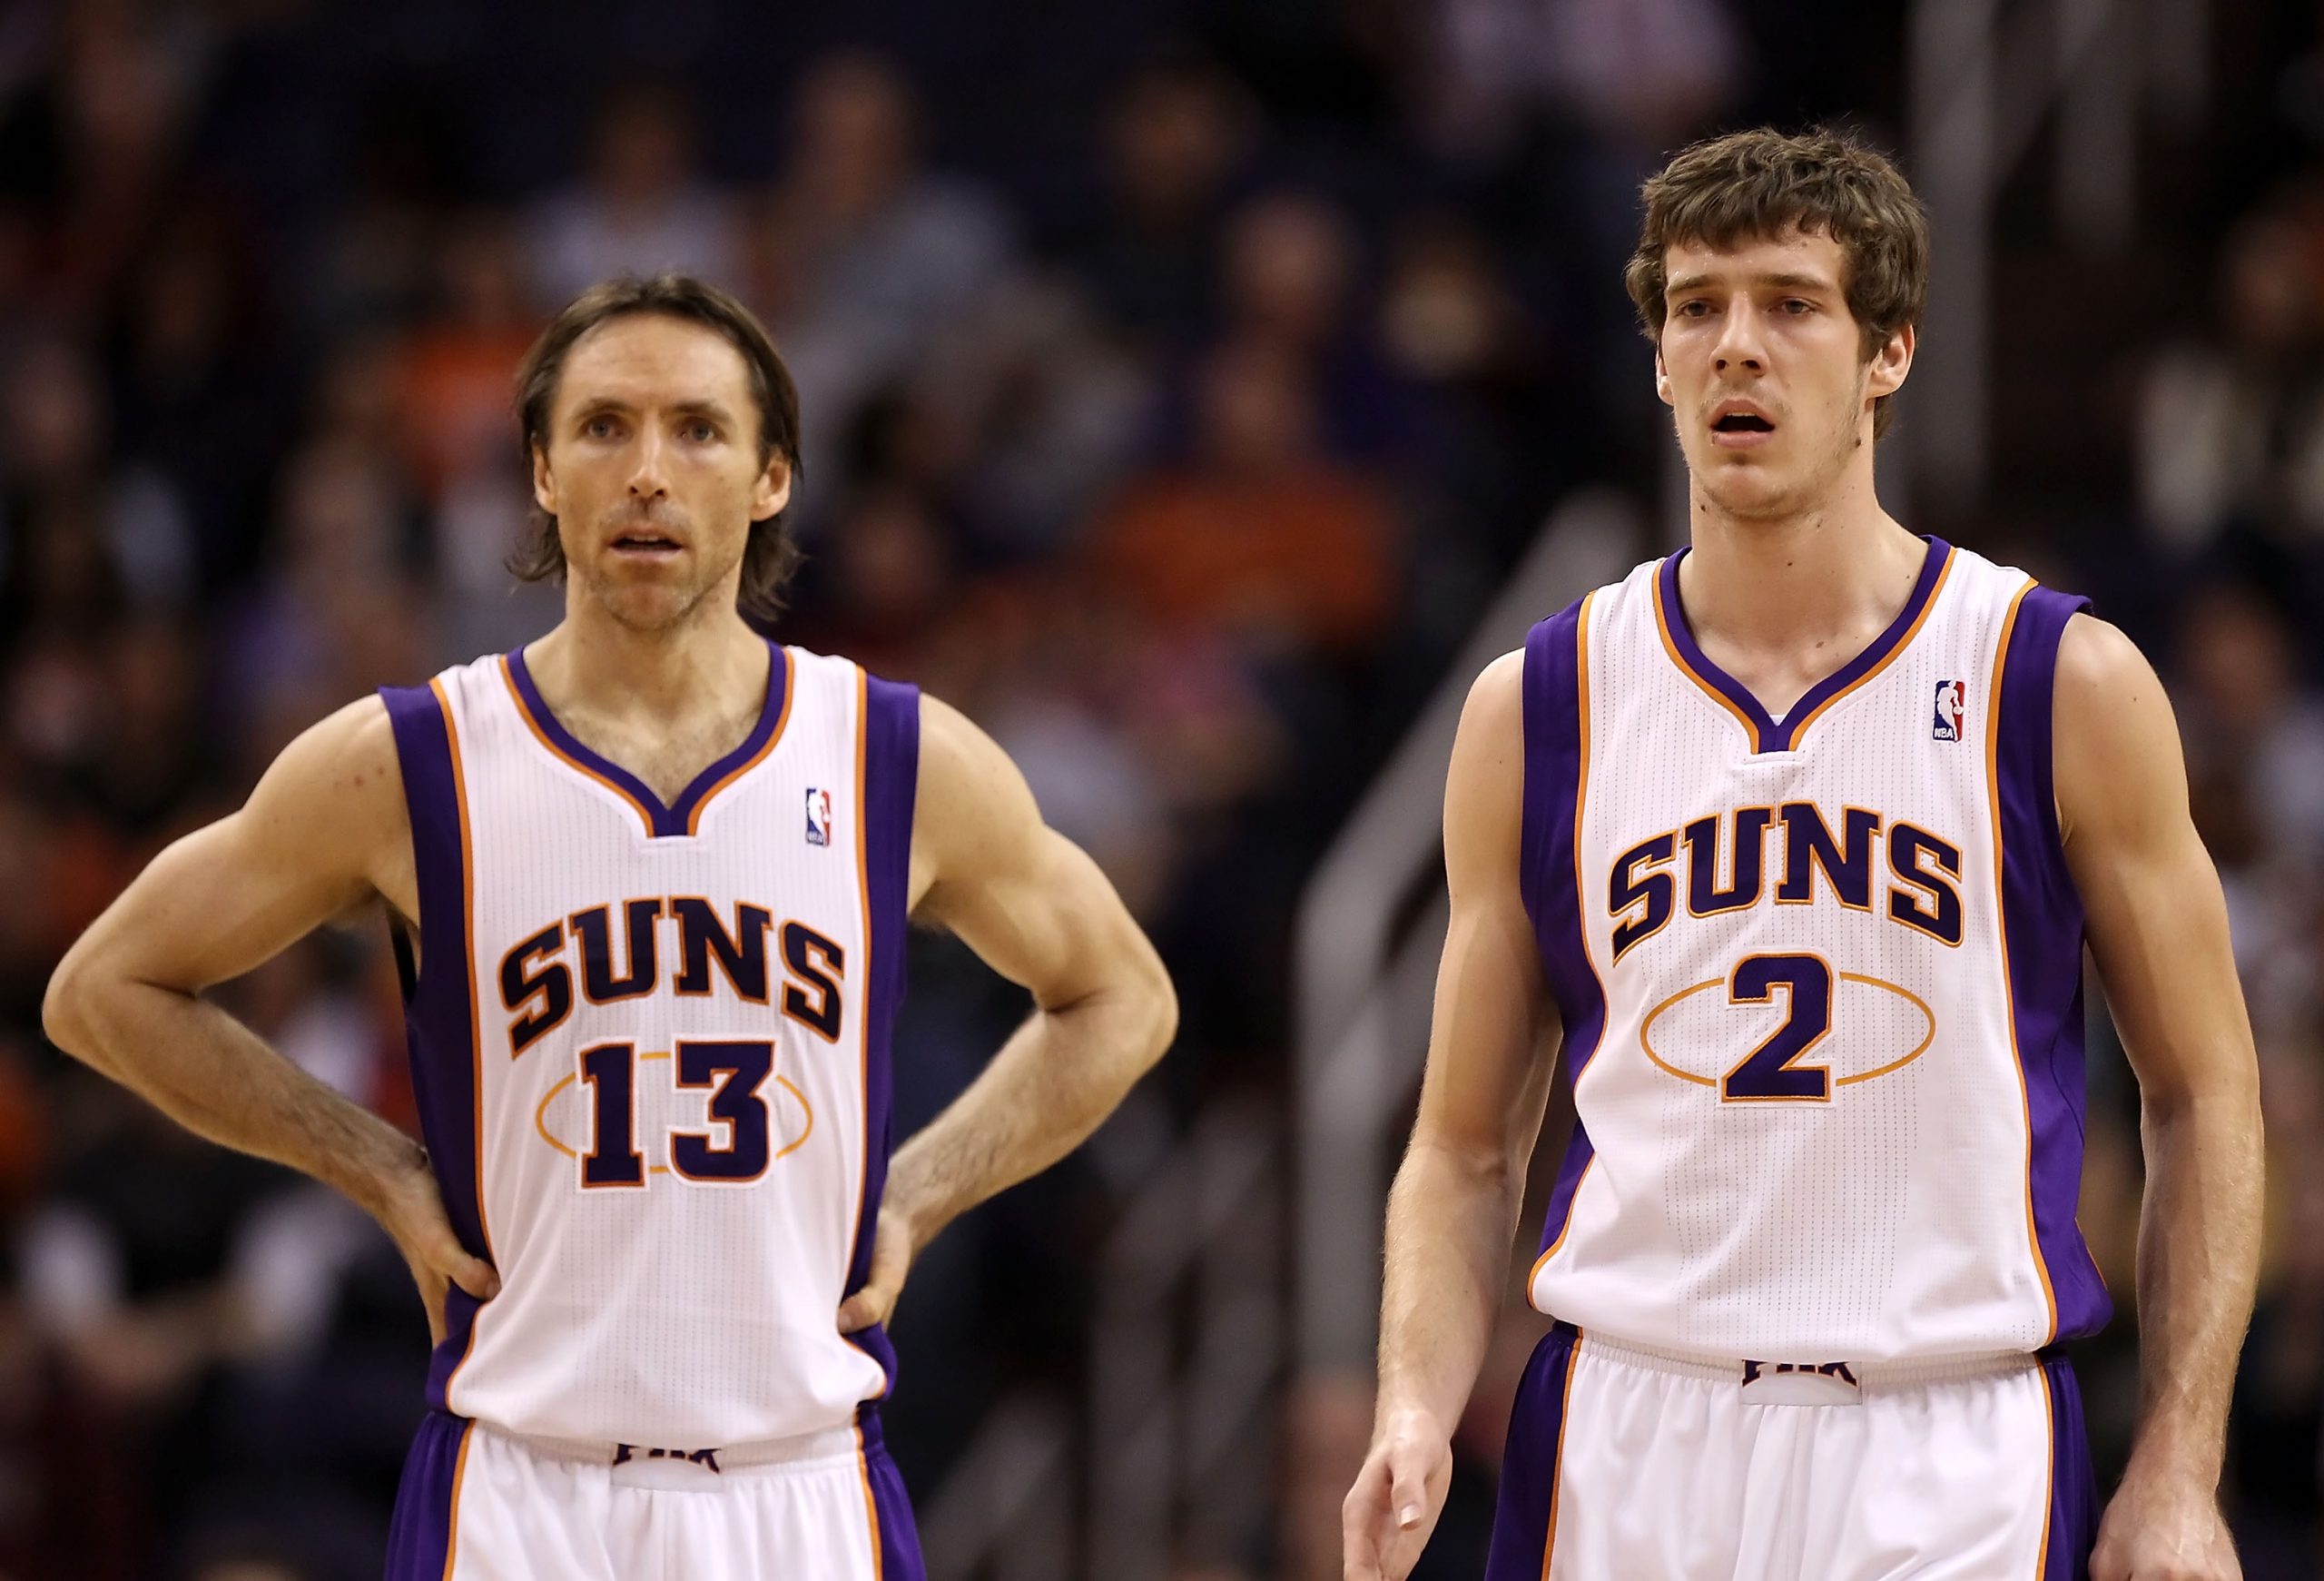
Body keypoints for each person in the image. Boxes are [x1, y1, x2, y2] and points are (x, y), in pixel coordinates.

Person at [42, 273, 1178, 1580]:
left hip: (802, 1489)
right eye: (603, 427)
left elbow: (1124, 998)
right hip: (521, 1491)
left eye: (697, 429)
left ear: (771, 478)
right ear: (541, 470)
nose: (648, 472)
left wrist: (919, 1192)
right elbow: (104, 988)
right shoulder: (414, 760)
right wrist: (377, 1169)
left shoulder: (891, 757)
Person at [1342, 129, 2262, 1581]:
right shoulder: (1540, 708)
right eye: (1695, 308)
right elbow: (1462, 1146)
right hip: (1631, 1425)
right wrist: (1412, 1398)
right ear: (1659, 362)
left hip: (1948, 1434)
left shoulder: (2053, 681)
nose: (1736, 347)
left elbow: (2205, 1091)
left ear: (1890, 351)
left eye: (1791, 304)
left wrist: (2182, 1462)